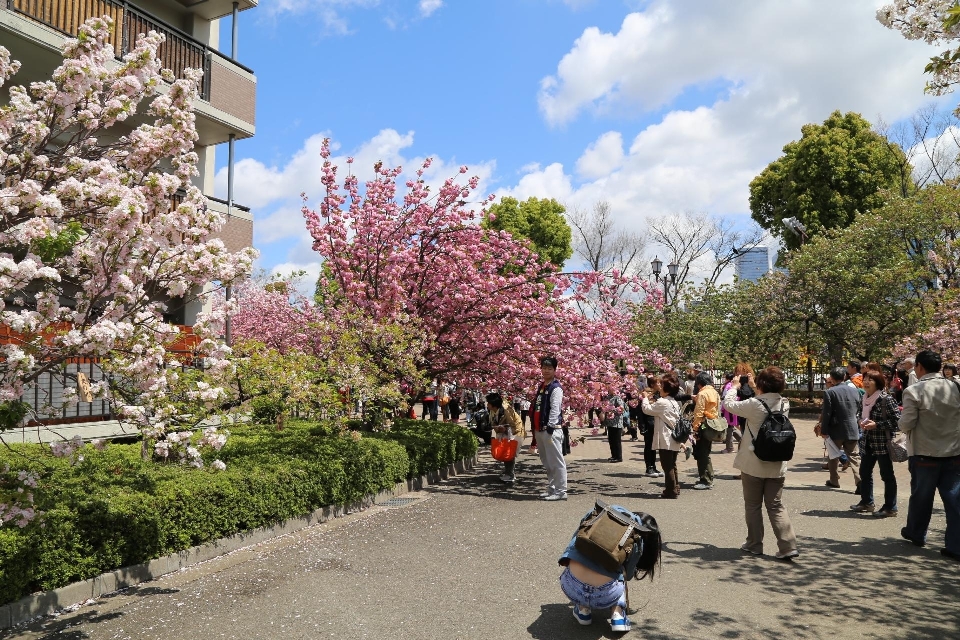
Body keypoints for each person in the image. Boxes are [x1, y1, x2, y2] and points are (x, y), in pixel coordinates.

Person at [722, 367, 800, 560]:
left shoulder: (755, 404)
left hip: (754, 462)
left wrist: (734, 386)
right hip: (777, 461)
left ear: (762, 384)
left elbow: (728, 404)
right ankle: (788, 546)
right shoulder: (784, 403)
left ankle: (754, 544)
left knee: (753, 505)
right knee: (775, 505)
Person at [559, 506, 662, 633]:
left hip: (571, 587)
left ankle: (583, 611)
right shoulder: (634, 534)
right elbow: (627, 575)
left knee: (580, 560)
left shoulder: (596, 514)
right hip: (605, 596)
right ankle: (618, 617)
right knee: (619, 575)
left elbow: (573, 546)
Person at [899, 350, 960, 561]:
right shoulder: (955, 387)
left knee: (921, 497)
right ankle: (955, 545)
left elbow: (906, 423)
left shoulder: (914, 390)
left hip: (925, 453)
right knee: (954, 500)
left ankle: (916, 533)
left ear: (919, 367)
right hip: (953, 452)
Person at [851, 371, 900, 517]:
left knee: (887, 476)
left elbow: (897, 421)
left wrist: (877, 424)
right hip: (867, 441)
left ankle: (890, 507)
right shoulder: (864, 397)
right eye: (865, 379)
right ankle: (867, 502)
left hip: (882, 444)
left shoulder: (886, 399)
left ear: (877, 382)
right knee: (864, 472)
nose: (866, 382)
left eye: (870, 380)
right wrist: (860, 421)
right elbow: (859, 414)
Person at [641, 371, 684, 499]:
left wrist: (644, 398)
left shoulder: (663, 402)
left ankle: (671, 491)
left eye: (662, 385)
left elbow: (647, 410)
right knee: (672, 464)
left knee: (667, 465)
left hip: (666, 437)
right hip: (674, 437)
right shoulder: (674, 402)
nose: (659, 387)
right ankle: (675, 487)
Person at [820, 367, 862, 491]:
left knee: (833, 455)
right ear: (844, 377)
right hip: (852, 427)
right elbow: (858, 409)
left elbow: (827, 413)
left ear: (832, 379)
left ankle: (834, 480)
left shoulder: (830, 392)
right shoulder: (855, 391)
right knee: (854, 456)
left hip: (836, 429)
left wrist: (824, 430)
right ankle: (860, 481)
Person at [533, 356, 566, 501]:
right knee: (547, 462)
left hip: (550, 430)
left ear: (554, 370)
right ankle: (552, 488)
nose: (546, 371)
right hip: (539, 429)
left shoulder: (556, 388)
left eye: (549, 368)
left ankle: (561, 491)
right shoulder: (542, 386)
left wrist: (550, 429)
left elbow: (555, 409)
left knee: (556, 462)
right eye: (544, 368)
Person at [690, 372, 719, 490]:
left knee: (702, 453)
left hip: (703, 425)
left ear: (699, 383)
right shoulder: (715, 392)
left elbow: (698, 413)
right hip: (712, 425)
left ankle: (706, 480)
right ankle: (708, 477)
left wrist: (695, 428)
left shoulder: (702, 393)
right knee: (706, 451)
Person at [487, 392, 523, 483]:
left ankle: (510, 474)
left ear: (493, 405)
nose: (487, 405)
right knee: (505, 453)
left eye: (488, 403)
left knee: (510, 454)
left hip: (515, 433)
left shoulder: (506, 410)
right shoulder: (493, 411)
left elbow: (513, 426)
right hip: (505, 434)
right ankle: (508, 472)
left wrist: (505, 429)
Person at [641, 375, 663, 478]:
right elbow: (641, 411)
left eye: (660, 382)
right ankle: (649, 467)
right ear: (652, 384)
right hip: (648, 424)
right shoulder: (646, 395)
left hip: (656, 423)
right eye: (657, 383)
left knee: (654, 446)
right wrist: (642, 426)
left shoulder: (659, 394)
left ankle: (653, 466)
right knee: (649, 446)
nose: (659, 384)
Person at [602, 386, 626, 462]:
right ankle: (613, 455)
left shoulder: (617, 397)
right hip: (609, 422)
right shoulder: (607, 397)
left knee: (617, 440)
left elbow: (621, 408)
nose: (610, 390)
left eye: (612, 388)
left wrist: (612, 410)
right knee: (611, 439)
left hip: (617, 422)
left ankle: (618, 457)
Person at [720, 372, 740, 454]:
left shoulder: (728, 386)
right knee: (732, 428)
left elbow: (725, 398)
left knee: (729, 429)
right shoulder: (735, 386)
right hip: (732, 409)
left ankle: (730, 448)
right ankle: (742, 441)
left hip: (728, 410)